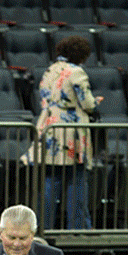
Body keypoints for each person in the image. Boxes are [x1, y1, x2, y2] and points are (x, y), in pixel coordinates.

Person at [35, 35, 99, 230]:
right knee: (77, 180)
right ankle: (77, 230)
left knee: (50, 181)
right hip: (71, 133)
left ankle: (43, 228)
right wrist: (96, 103)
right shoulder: (76, 72)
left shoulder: (49, 70)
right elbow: (87, 103)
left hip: (49, 128)